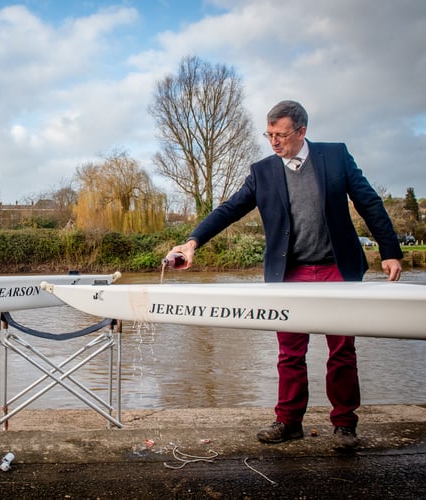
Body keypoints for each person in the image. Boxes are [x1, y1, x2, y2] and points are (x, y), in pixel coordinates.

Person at [165, 100, 403, 450]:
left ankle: (344, 425)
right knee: (290, 352)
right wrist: (192, 242)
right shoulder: (262, 171)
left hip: (337, 268)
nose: (274, 142)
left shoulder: (335, 157)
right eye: (269, 134)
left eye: (281, 135)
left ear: (302, 131)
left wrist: (391, 251)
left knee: (341, 350)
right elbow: (229, 209)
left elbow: (369, 202)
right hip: (290, 272)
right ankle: (289, 422)